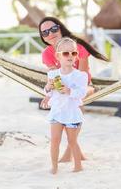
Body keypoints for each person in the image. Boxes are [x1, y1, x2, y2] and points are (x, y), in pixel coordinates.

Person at [38, 16, 108, 163]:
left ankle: (69, 151)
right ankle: (77, 153)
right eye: (45, 33)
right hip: (62, 87)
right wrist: (50, 94)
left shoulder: (78, 47)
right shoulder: (47, 54)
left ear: (60, 27)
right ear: (42, 37)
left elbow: (82, 76)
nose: (50, 34)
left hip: (83, 84)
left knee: (77, 101)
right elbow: (53, 77)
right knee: (67, 104)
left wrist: (72, 91)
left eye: (53, 29)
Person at [44, 37, 88, 174]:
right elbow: (48, 92)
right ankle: (54, 166)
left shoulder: (80, 75)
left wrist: (69, 91)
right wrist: (48, 88)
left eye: (73, 53)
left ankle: (78, 166)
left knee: (72, 141)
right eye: (65, 53)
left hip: (72, 113)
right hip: (57, 112)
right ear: (58, 56)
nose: (70, 56)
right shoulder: (52, 74)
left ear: (76, 56)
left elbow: (82, 93)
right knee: (55, 141)